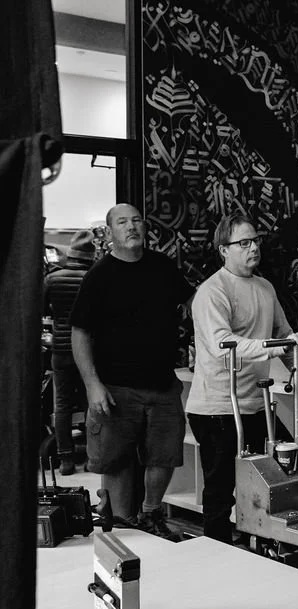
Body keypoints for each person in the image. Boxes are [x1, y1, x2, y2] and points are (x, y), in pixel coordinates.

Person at [185, 212, 298, 544]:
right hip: (217, 408)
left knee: (284, 471)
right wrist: (272, 347)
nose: (253, 247)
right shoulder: (212, 292)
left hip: (257, 405)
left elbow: (284, 336)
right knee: (220, 490)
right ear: (223, 249)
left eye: (256, 240)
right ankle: (216, 554)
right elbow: (222, 346)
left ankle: (269, 545)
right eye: (243, 242)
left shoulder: (264, 287)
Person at [70, 204, 194, 540]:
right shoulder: (99, 276)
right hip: (116, 385)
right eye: (122, 222)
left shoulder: (163, 267)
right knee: (116, 461)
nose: (132, 227)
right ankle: (119, 525)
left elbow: (191, 299)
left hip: (162, 382)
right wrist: (92, 384)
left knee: (164, 455)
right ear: (110, 233)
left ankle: (151, 514)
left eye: (137, 220)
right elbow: (79, 332)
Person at [44, 229, 96, 475]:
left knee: (62, 405)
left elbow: (42, 310)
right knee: (90, 403)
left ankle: (65, 460)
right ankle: (92, 457)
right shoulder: (94, 278)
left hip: (61, 350)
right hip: (89, 350)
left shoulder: (53, 278)